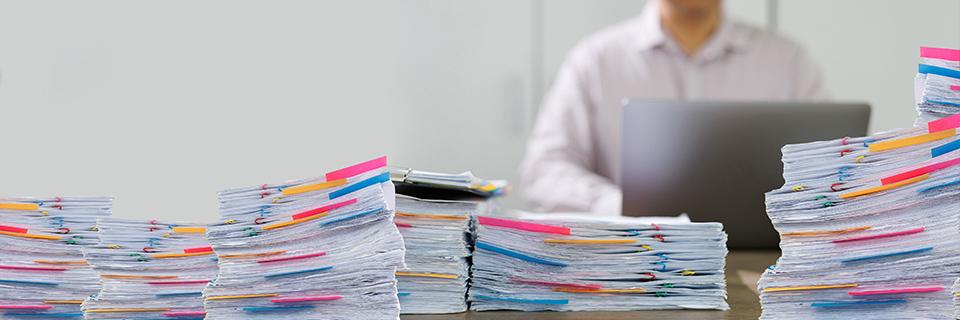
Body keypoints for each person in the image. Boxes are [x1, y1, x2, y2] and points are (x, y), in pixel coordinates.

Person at [520, 0, 827, 215]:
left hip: (767, 266)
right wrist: (621, 205)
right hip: (633, 260)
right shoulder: (595, 60)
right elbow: (544, 172)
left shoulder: (788, 61)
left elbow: (827, 170)